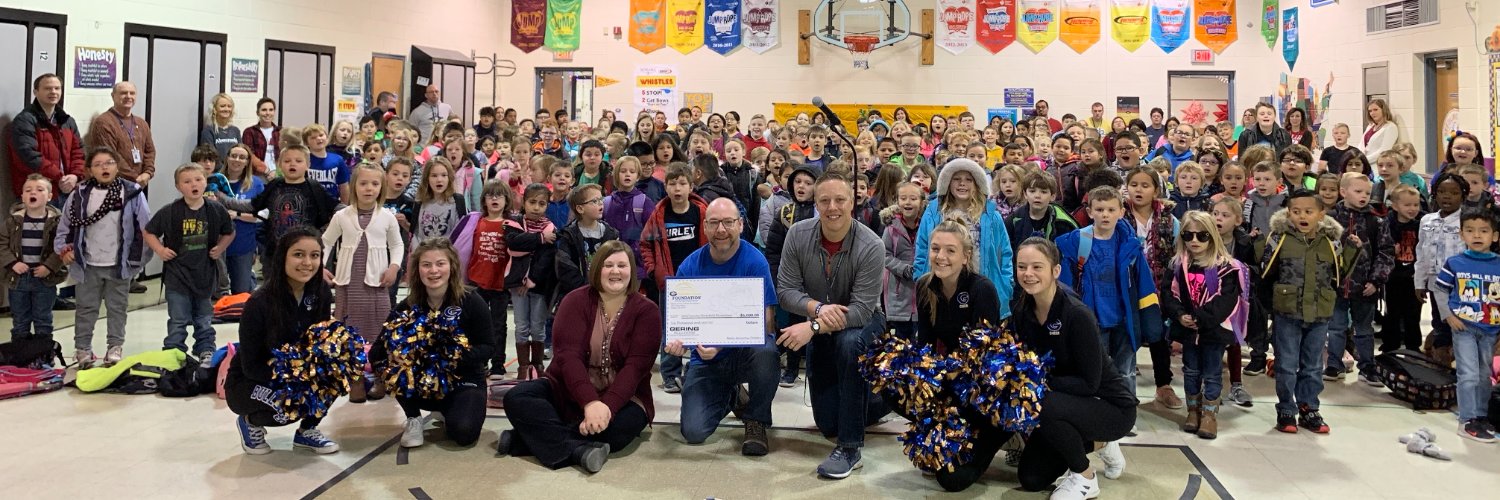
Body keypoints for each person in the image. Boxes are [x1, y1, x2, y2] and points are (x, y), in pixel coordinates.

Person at [500, 241, 661, 473]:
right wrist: (590, 402)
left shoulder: (647, 311)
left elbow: (635, 369)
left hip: (625, 396)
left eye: (622, 265)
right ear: (597, 269)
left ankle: (525, 439)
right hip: (568, 390)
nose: (615, 271)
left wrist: (606, 407)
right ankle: (579, 450)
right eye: (608, 265)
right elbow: (568, 358)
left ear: (632, 271)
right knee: (517, 397)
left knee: (613, 433)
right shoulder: (574, 301)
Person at [775, 173, 888, 479]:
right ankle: (885, 398)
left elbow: (862, 310)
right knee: (827, 424)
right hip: (821, 319)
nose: (832, 207)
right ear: (815, 203)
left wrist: (810, 328)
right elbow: (785, 291)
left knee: (849, 343)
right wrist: (818, 309)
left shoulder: (872, 244)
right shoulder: (797, 235)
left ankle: (850, 448)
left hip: (863, 323)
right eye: (824, 200)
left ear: (853, 203)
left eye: (840, 200)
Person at [1011, 238, 1134, 499]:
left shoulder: (1076, 314)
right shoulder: (1022, 309)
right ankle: (1098, 443)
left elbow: (1090, 383)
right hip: (1065, 403)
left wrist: (1038, 385)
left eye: (1037, 267)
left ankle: (1085, 477)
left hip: (1110, 407)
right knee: (1032, 478)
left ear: (1055, 271)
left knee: (1043, 402)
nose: (1028, 274)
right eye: (1022, 267)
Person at [892, 221, 1005, 492]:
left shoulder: (982, 289)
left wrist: (947, 383)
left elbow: (984, 357)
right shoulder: (925, 286)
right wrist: (918, 378)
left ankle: (997, 433)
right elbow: (926, 344)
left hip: (983, 388)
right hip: (951, 378)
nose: (941, 256)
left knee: (952, 481)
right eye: (935, 248)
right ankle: (941, 430)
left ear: (966, 256)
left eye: (950, 251)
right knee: (897, 384)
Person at [665, 198, 780, 455]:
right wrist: (678, 343)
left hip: (744, 354)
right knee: (694, 432)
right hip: (704, 359)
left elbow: (767, 322)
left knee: (767, 350)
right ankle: (732, 396)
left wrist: (722, 343)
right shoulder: (690, 266)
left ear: (740, 225)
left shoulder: (755, 261)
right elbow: (678, 321)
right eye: (714, 223)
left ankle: (756, 420)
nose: (721, 230)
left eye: (728, 222)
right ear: (704, 227)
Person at [226, 229, 341, 455]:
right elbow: (250, 365)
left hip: (295, 373)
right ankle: (249, 421)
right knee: (286, 409)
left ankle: (307, 431)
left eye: (315, 255)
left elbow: (318, 344)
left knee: (335, 373)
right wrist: (292, 383)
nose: (307, 263)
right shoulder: (259, 302)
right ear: (283, 257)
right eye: (298, 254)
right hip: (250, 380)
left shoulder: (321, 293)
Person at [370, 238, 494, 448]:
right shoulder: (406, 307)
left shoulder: (472, 301)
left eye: (440, 264)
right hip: (421, 384)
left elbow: (488, 347)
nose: (433, 270)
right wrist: (397, 357)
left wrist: (449, 357)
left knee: (464, 434)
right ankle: (413, 417)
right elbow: (376, 352)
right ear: (417, 270)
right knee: (394, 364)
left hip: (464, 379)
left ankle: (449, 410)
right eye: (426, 265)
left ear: (452, 267)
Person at [1258, 189, 1360, 434]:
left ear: (1321, 214)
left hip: (1320, 312)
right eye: (1296, 211)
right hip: (1287, 312)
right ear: (1288, 213)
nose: (1302, 216)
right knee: (1286, 363)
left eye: (1308, 212)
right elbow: (1265, 272)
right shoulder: (1279, 238)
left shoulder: (1331, 242)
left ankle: (1309, 407)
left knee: (1313, 365)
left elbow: (1340, 274)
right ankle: (1285, 408)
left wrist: (1352, 251)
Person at [1056, 185, 1165, 391]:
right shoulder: (1077, 244)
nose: (1105, 215)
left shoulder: (1130, 245)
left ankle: (1126, 412)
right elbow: (1065, 286)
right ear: (1089, 212)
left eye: (1111, 210)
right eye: (1099, 210)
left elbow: (1144, 286)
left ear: (1121, 212)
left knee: (1125, 371)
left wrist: (1151, 322)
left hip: (1125, 320)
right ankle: (1102, 413)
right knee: (1097, 371)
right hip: (1093, 320)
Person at [56, 147, 151, 368]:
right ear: (89, 170)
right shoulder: (79, 194)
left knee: (118, 307)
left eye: (109, 163)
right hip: (87, 264)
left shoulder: (132, 192)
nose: (104, 167)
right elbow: (64, 227)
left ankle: (115, 347)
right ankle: (82, 349)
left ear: (117, 166)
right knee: (86, 308)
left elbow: (145, 228)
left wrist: (139, 260)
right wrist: (64, 249)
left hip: (119, 264)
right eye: (98, 164)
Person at [321, 164, 403, 398]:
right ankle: (355, 380)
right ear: (354, 186)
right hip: (349, 284)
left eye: (375, 184)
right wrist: (320, 267)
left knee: (379, 334)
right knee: (350, 335)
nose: (369, 188)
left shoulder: (387, 217)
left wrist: (394, 267)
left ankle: (380, 378)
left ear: (382, 187)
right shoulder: (342, 216)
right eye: (363, 183)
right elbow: (325, 242)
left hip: (377, 284)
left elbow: (397, 245)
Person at [1161, 211, 1245, 440]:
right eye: (1188, 235)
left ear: (1213, 236)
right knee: (1190, 370)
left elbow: (1226, 300)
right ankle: (1193, 411)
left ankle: (1209, 415)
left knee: (1212, 372)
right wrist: (1179, 315)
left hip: (1213, 331)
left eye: (1202, 236)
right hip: (1187, 330)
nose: (1194, 241)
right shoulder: (1177, 265)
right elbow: (1168, 293)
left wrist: (1201, 318)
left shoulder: (1226, 267)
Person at [143, 164, 234, 362]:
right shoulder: (170, 211)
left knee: (203, 318)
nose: (194, 184)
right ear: (178, 187)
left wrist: (220, 248)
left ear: (205, 183)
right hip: (177, 276)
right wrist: (159, 249)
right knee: (178, 319)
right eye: (187, 181)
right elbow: (149, 231)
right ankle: (174, 350)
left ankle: (205, 348)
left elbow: (229, 231)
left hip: (204, 274)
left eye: (198, 179)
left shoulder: (216, 210)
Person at [913, 159, 1014, 318]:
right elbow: (922, 247)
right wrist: (921, 279)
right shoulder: (933, 213)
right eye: (956, 179)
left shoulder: (992, 215)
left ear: (977, 184)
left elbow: (1005, 254)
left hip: (983, 288)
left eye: (968, 179)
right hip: (941, 288)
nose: (962, 184)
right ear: (947, 182)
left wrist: (1006, 286)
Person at [639, 162, 709, 393]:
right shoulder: (659, 214)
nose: (677, 189)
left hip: (699, 281)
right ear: (665, 187)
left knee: (701, 326)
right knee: (670, 329)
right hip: (669, 283)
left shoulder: (701, 212)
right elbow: (645, 244)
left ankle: (697, 370)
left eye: (682, 183)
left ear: (691, 186)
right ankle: (669, 375)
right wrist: (653, 270)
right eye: (672, 184)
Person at [1432, 210, 1500, 442]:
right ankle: (1467, 419)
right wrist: (1448, 315)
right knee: (1468, 373)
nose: (1477, 235)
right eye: (1470, 231)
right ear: (1462, 235)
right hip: (1464, 328)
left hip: (1490, 329)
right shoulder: (1455, 263)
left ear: (1495, 236)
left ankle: (1481, 415)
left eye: (1484, 231)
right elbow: (1439, 289)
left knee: (1483, 374)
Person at [1325, 173, 1393, 385]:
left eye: (1367, 192)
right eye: (1358, 191)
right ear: (1343, 192)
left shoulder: (1376, 220)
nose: (1363, 196)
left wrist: (1376, 281)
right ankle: (1334, 364)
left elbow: (1386, 252)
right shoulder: (1330, 218)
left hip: (1365, 286)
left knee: (1364, 329)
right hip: (1336, 286)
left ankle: (1367, 366)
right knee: (1335, 327)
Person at [0, 174, 67, 344]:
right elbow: (2, 244)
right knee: (20, 321)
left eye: (39, 189)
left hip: (44, 278)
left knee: (43, 319)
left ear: (50, 196)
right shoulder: (12, 222)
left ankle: (42, 354)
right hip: (18, 279)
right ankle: (20, 355)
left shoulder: (57, 223)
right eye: (28, 190)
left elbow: (61, 247)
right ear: (22, 196)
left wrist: (49, 267)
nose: (33, 193)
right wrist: (13, 263)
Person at [506, 183, 561, 379]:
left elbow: (546, 258)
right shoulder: (514, 222)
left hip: (539, 285)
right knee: (521, 326)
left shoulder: (551, 228)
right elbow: (513, 244)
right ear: (524, 202)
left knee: (537, 326)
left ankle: (537, 365)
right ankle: (523, 367)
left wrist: (531, 279)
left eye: (542, 203)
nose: (536, 207)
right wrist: (538, 239)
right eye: (532, 202)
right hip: (516, 284)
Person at [8, 74, 83, 200]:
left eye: (57, 88)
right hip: (38, 192)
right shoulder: (25, 120)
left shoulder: (67, 121)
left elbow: (79, 152)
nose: (53, 92)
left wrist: (75, 176)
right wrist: (59, 176)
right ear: (35, 92)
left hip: (67, 190)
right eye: (48, 88)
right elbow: (28, 155)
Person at [1381, 185, 1426, 353]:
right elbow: (1381, 246)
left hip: (1414, 277)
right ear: (1395, 206)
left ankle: (1413, 346)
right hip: (1393, 276)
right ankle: (1390, 345)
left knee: (1413, 313)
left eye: (1415, 204)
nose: (1412, 209)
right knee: (1392, 312)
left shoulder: (1423, 222)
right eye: (1407, 205)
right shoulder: (1387, 222)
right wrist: (1390, 249)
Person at [85, 82, 155, 188]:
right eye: (123, 93)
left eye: (132, 93)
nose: (128, 96)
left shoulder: (141, 123)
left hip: (139, 183)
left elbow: (150, 151)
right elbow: (110, 155)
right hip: (114, 184)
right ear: (113, 96)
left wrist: (147, 173)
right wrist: (135, 178)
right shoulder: (104, 122)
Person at [881, 182, 927, 339]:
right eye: (903, 198)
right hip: (899, 293)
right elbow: (884, 254)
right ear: (897, 201)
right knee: (902, 339)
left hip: (923, 290)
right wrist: (903, 269)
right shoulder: (891, 228)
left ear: (921, 202)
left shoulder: (927, 225)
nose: (908, 202)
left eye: (913, 198)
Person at [219, 144, 265, 294]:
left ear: (247, 162)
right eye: (233, 156)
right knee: (218, 291)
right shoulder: (215, 181)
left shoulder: (256, 184)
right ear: (227, 158)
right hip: (217, 246)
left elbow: (263, 215)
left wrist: (237, 215)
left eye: (242, 157)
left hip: (243, 245)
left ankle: (249, 279)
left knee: (241, 293)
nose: (237, 160)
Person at [240, 97, 281, 175]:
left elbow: (285, 154)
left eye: (271, 110)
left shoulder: (281, 132)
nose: (268, 113)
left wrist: (277, 172)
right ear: (257, 113)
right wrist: (266, 171)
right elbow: (249, 154)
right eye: (264, 110)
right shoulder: (249, 132)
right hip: (258, 175)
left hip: (278, 175)